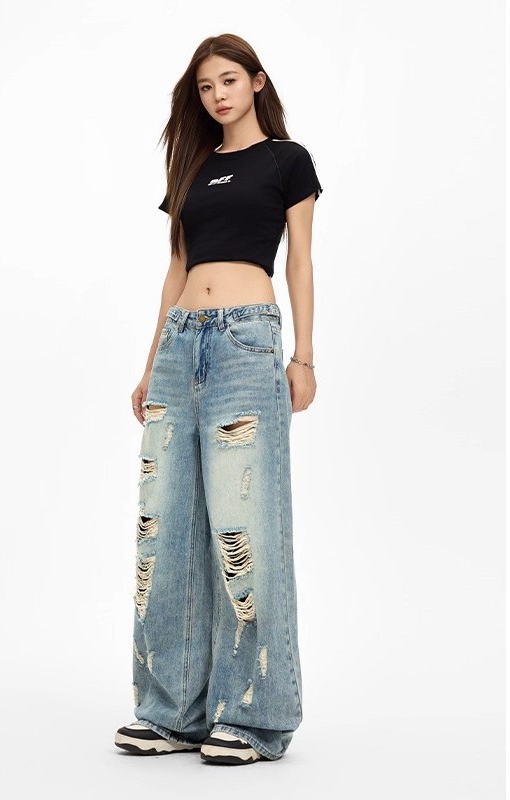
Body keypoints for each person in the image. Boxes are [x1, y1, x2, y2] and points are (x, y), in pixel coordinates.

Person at [114, 32, 322, 766]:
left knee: (244, 526)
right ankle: (171, 710)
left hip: (245, 344)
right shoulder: (194, 168)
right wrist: (151, 364)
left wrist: (303, 356)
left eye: (228, 80)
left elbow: (300, 262)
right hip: (180, 347)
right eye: (205, 87)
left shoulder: (287, 161)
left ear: (257, 82)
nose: (217, 95)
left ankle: (255, 717)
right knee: (163, 526)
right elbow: (176, 267)